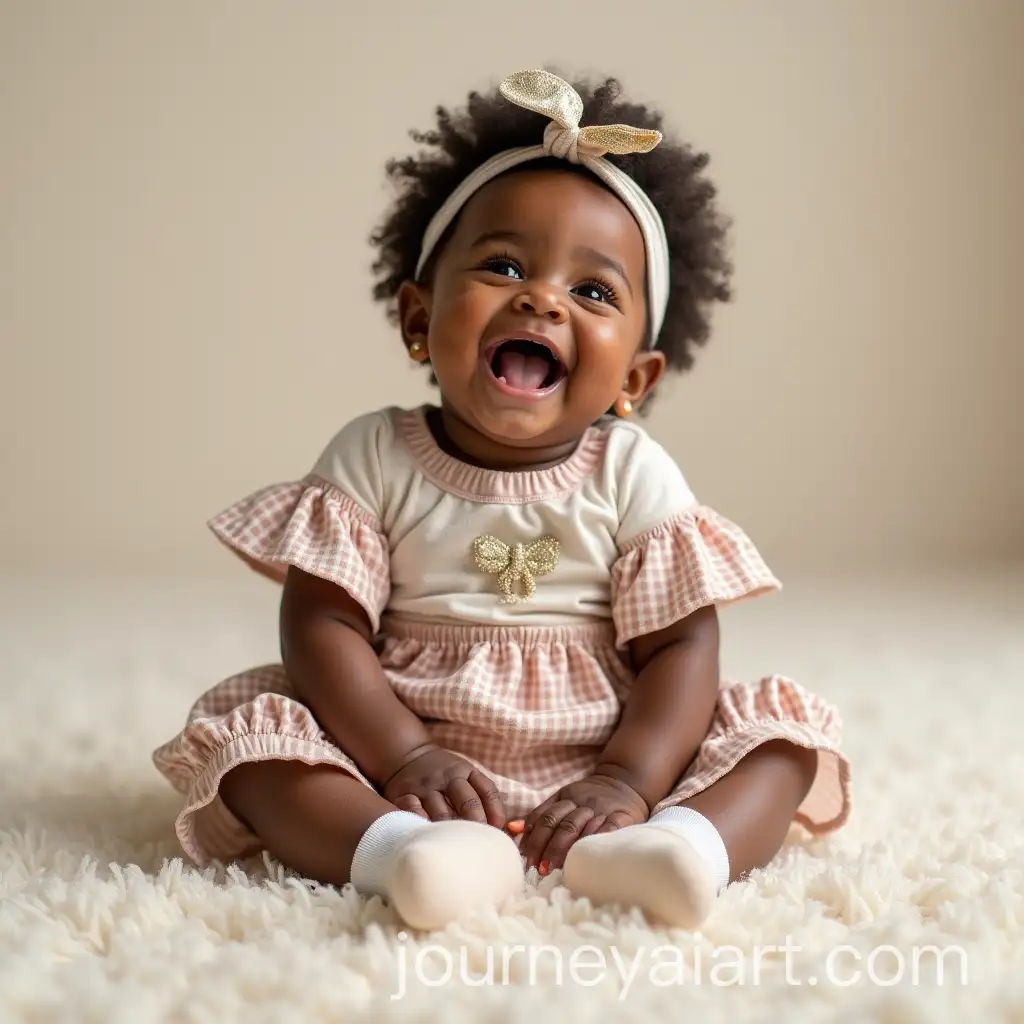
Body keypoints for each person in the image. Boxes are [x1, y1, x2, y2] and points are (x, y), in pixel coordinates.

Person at [153, 69, 851, 932]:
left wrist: (629, 778)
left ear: (635, 377)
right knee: (247, 740)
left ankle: (677, 848)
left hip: (609, 751)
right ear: (418, 317)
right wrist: (403, 752)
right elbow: (322, 625)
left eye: (593, 292)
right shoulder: (373, 454)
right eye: (503, 265)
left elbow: (680, 646)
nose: (542, 297)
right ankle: (403, 850)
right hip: (400, 754)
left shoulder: (634, 472)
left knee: (780, 741)